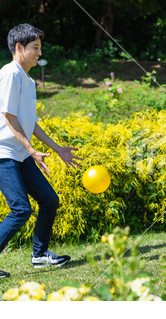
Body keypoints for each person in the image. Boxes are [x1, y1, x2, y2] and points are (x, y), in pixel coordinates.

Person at [0, 24, 82, 279]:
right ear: (19, 48)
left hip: (21, 154)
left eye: (39, 47)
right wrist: (32, 150)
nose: (39, 52)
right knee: (21, 209)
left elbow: (30, 122)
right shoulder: (10, 73)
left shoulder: (29, 80)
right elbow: (9, 115)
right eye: (35, 47)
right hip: (4, 154)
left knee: (49, 200)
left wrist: (57, 149)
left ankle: (39, 255)